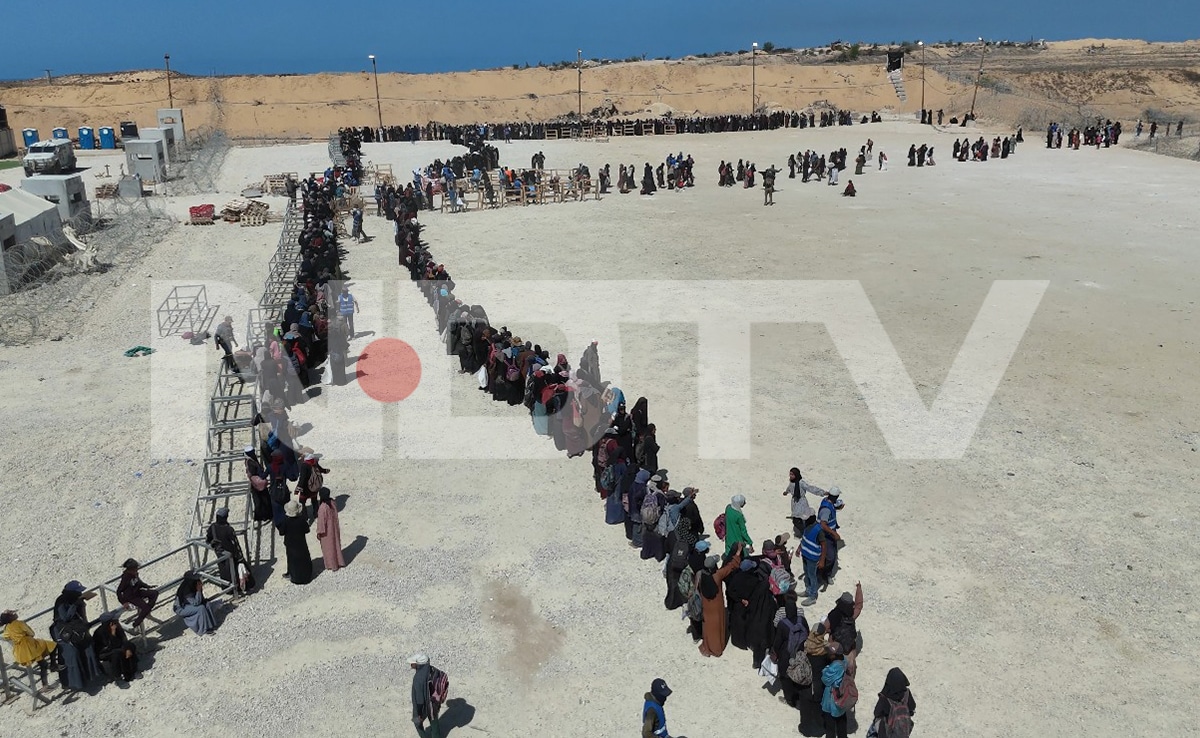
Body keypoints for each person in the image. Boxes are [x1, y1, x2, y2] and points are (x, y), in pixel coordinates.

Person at [52, 580, 100, 691]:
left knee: (88, 647)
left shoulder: (76, 599)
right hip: (64, 632)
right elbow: (65, 617)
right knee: (72, 655)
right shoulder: (61, 601)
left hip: (78, 629)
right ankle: (71, 683)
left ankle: (91, 675)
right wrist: (75, 605)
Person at [699, 547, 742, 658]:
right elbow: (730, 566)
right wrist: (737, 553)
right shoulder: (717, 575)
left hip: (706, 606)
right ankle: (717, 649)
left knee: (708, 627)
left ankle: (708, 646)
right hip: (716, 606)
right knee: (717, 627)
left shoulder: (700, 576)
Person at [1, 609, 60, 688]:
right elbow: (31, 633)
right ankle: (53, 666)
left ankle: (45, 685)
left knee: (43, 664)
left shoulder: (7, 628)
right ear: (11, 617)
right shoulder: (19, 623)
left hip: (20, 650)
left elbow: (6, 637)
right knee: (53, 645)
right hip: (30, 646)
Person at [206, 509, 252, 595]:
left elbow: (208, 539)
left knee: (224, 571)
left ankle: (228, 589)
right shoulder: (229, 529)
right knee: (235, 571)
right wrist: (240, 558)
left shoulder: (212, 527)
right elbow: (235, 545)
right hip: (231, 555)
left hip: (220, 554)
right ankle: (238, 588)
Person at [92, 613, 138, 683]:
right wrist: (113, 634)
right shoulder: (100, 632)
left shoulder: (117, 627)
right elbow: (111, 646)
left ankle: (132, 671)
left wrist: (127, 648)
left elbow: (124, 639)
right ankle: (117, 676)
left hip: (116, 647)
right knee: (117, 653)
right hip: (104, 652)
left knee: (130, 646)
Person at [872, 667, 916, 737]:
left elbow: (877, 713)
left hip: (887, 731)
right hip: (903, 729)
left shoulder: (885, 697)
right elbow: (912, 706)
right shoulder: (906, 693)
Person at [116, 558, 159, 629]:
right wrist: (123, 602)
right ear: (130, 570)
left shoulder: (135, 574)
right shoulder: (126, 578)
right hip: (131, 596)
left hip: (137, 592)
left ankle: (147, 611)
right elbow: (119, 591)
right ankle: (136, 623)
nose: (137, 570)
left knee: (154, 593)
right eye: (135, 569)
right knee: (145, 607)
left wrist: (147, 586)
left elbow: (139, 582)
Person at [820, 642, 851, 738]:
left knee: (830, 725)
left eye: (830, 653)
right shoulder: (844, 661)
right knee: (841, 720)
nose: (828, 654)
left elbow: (825, 679)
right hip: (842, 695)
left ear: (835, 655)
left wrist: (825, 669)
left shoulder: (834, 667)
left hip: (832, 698)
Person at [173, 571, 217, 635]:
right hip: (181, 608)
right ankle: (204, 629)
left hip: (189, 604)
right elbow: (196, 603)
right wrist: (199, 590)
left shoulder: (194, 584)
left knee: (207, 604)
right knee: (201, 608)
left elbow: (200, 599)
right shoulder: (186, 589)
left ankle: (211, 624)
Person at [281, 500, 314, 584]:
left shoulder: (286, 521)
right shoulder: (301, 520)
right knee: (304, 559)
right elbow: (307, 530)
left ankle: (294, 577)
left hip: (290, 544)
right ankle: (306, 577)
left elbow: (281, 532)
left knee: (292, 560)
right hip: (301, 543)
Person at [818, 487, 845, 587]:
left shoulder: (827, 502)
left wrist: (837, 507)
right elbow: (823, 524)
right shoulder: (826, 510)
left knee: (832, 554)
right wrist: (834, 534)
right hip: (827, 535)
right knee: (830, 557)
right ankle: (824, 574)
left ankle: (825, 573)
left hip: (830, 534)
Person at [410, 653, 441, 738]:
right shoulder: (433, 670)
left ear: (418, 664)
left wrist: (418, 713)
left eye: (412, 663)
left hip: (423, 705)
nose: (411, 664)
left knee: (417, 723)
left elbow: (420, 699)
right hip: (434, 703)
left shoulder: (418, 678)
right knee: (434, 722)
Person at [316, 488, 346, 572]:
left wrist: (319, 532)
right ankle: (339, 561)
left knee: (329, 548)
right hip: (334, 528)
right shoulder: (333, 503)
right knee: (336, 545)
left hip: (326, 532)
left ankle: (332, 565)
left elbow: (321, 522)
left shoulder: (322, 507)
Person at [799, 513, 825, 607]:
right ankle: (808, 590)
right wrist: (799, 548)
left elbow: (823, 545)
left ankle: (813, 596)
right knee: (806, 573)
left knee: (812, 575)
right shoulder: (807, 526)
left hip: (812, 557)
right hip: (805, 554)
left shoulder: (818, 530)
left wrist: (822, 560)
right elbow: (804, 538)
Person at [784, 468, 820, 536]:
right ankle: (804, 532)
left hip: (801, 502)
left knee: (804, 517)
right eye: (790, 474)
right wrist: (786, 492)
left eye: (792, 474)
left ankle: (808, 531)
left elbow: (811, 488)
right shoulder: (792, 482)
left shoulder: (801, 483)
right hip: (795, 502)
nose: (790, 476)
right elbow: (790, 488)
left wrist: (822, 493)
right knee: (797, 519)